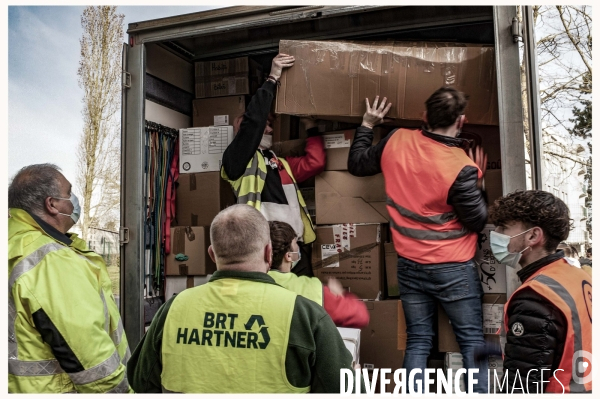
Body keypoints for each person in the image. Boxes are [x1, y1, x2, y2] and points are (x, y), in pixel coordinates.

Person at [127, 204, 360, 393]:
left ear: (211, 254)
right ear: (269, 253)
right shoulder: (304, 315)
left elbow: (141, 381)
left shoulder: (174, 309)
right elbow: (345, 389)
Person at [348, 87, 489, 393]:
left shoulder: (397, 140)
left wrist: (367, 125)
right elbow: (478, 220)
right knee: (472, 342)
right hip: (454, 268)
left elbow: (358, 164)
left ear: (424, 116)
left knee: (418, 341)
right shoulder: (461, 167)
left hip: (409, 266)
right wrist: (480, 179)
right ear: (461, 121)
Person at [8, 164, 132, 393]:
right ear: (52, 204)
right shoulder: (50, 260)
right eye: (69, 193)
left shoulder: (12, 244)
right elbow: (93, 363)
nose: (74, 200)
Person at [221, 53, 326, 278]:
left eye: (270, 125)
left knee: (301, 298)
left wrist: (311, 127)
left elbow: (315, 162)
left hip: (294, 247)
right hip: (262, 248)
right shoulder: (237, 161)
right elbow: (253, 123)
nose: (268, 129)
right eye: (264, 125)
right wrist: (272, 78)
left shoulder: (281, 164)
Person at [489, 190, 592, 393]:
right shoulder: (578, 277)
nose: (496, 234)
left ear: (533, 236)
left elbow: (522, 385)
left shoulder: (536, 296)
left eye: (504, 228)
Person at [268, 221, 370, 328]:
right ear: (288, 256)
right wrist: (340, 294)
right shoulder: (312, 289)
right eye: (295, 244)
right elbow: (361, 316)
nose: (298, 248)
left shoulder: (250, 284)